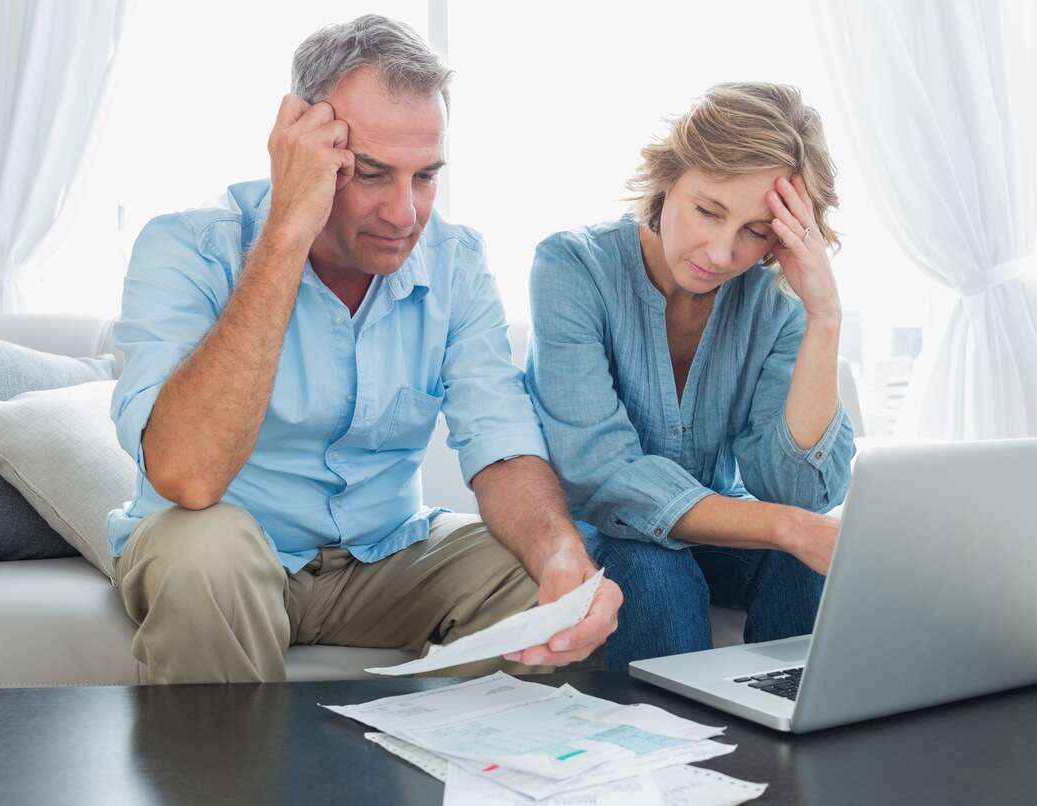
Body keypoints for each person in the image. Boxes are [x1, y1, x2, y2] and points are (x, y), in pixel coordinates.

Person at [107, 14, 621, 685]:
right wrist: (290, 227)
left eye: (426, 176)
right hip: (227, 554)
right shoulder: (187, 248)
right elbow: (188, 476)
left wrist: (558, 555)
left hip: (388, 552)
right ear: (304, 146)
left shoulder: (456, 262)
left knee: (548, 593)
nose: (404, 213)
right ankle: (223, 785)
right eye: (373, 174)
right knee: (203, 551)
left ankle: (463, 784)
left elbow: (502, 442)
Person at [525, 82, 855, 671]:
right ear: (668, 176)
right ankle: (674, 756)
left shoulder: (775, 301)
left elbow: (796, 490)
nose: (722, 253)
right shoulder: (573, 266)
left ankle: (798, 738)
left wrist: (823, 316)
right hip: (605, 536)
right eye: (709, 211)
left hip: (720, 527)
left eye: (756, 231)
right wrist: (786, 526)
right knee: (654, 570)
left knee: (806, 565)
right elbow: (603, 475)